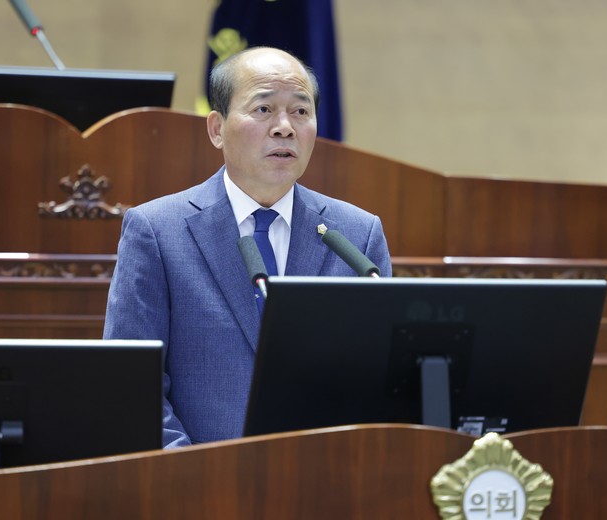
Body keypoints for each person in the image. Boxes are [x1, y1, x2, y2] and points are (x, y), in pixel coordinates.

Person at [103, 46, 392, 448]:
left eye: (301, 111)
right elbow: (131, 384)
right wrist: (195, 472)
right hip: (196, 478)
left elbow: (381, 380)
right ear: (216, 128)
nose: (284, 128)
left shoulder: (357, 236)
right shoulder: (156, 231)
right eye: (263, 109)